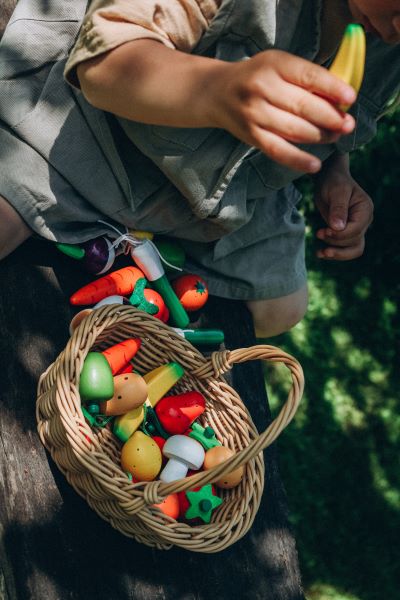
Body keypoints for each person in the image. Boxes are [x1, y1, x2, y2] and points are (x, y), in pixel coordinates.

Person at [0, 0, 399, 336]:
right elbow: (104, 64)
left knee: (282, 308)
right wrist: (217, 89)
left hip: (223, 193)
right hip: (89, 130)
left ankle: (142, 260)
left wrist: (335, 173)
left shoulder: (386, 37)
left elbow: (344, 121)